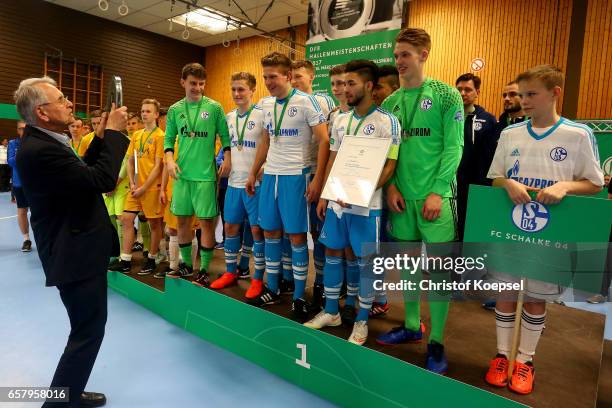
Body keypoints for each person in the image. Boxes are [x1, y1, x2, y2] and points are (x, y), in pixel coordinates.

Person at [484, 65, 604, 394]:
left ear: (555, 93)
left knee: (536, 299)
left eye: (531, 94)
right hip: (511, 231)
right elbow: (495, 176)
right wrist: (507, 183)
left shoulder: (578, 135)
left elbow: (594, 184)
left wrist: (565, 186)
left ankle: (525, 360)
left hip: (550, 236)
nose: (524, 101)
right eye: (521, 95)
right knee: (506, 296)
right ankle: (501, 356)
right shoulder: (510, 134)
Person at [14, 76, 128, 407]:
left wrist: (103, 136)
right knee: (87, 333)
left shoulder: (47, 140)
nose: (69, 104)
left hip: (77, 247)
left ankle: (71, 393)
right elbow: (101, 179)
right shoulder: (40, 151)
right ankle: (59, 403)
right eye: (62, 99)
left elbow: (82, 171)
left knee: (87, 329)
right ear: (42, 112)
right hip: (73, 253)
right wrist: (118, 134)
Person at [375, 28, 465, 375]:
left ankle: (438, 341)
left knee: (440, 273)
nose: (399, 62)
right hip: (402, 198)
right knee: (409, 267)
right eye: (396, 55)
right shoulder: (391, 103)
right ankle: (412, 325)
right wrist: (391, 188)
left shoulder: (446, 96)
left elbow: (454, 146)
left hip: (436, 198)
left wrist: (437, 190)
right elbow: (388, 153)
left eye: (406, 55)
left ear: (424, 54)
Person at [304, 59, 400, 345]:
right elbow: (333, 157)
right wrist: (325, 193)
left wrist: (361, 190)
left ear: (368, 86)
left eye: (351, 83)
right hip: (336, 201)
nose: (345, 89)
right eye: (343, 83)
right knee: (333, 253)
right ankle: (331, 311)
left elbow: (390, 166)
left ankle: (361, 320)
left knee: (365, 261)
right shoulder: (340, 119)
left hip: (365, 205)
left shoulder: (387, 121)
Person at [245, 52, 328, 322]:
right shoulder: (266, 104)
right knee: (270, 232)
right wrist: (253, 172)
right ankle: (272, 287)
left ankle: (299, 297)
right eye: (265, 76)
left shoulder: (306, 102)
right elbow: (265, 142)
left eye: (273, 76)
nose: (268, 81)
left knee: (295, 237)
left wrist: (317, 180)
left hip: (296, 176)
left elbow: (324, 140)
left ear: (288, 76)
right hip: (271, 176)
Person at [163, 62, 231, 286]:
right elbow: (168, 140)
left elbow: (225, 136)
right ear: (183, 82)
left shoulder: (214, 107)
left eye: (201, 84)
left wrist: (227, 158)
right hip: (182, 176)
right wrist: (170, 160)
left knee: (206, 224)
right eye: (193, 83)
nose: (198, 88)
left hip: (205, 176)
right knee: (182, 222)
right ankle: (185, 265)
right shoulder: (174, 109)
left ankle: (203, 269)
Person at [210, 72, 266, 298]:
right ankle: (231, 272)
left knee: (256, 231)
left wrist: (263, 167)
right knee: (231, 228)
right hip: (233, 183)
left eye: (241, 89)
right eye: (233, 89)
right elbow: (227, 147)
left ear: (252, 90)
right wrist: (225, 160)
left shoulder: (263, 115)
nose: (236, 94)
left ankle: (257, 278)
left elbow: (271, 145)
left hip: (256, 184)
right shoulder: (229, 117)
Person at [290, 59, 336, 309]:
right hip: (295, 176)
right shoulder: (288, 102)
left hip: (317, 175)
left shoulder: (324, 102)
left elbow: (327, 142)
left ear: (311, 77)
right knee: (297, 231)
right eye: (292, 76)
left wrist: (321, 178)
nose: (295, 81)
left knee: (319, 234)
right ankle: (292, 279)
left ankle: (320, 283)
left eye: (300, 76)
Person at [110, 99, 165, 275]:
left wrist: (144, 187)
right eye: (143, 111)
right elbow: (130, 160)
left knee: (154, 225)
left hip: (152, 188)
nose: (144, 113)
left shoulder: (161, 136)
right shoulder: (137, 135)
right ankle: (125, 259)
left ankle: (152, 258)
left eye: (148, 111)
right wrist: (133, 184)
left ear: (156, 115)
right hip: (136, 188)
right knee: (126, 219)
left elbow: (158, 167)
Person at [455, 73, 498, 241]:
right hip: (451, 183)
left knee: (471, 228)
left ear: (477, 92)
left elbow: (490, 155)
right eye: (459, 89)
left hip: (476, 185)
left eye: (468, 89)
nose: (463, 93)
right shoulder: (447, 117)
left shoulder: (488, 120)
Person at [8, 120, 32, 252]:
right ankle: (26, 239)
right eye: (21, 129)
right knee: (22, 211)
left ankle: (42, 238)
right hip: (19, 183)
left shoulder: (36, 143)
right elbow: (11, 161)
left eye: (26, 128)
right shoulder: (13, 143)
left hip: (35, 183)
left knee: (38, 212)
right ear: (18, 130)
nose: (24, 131)